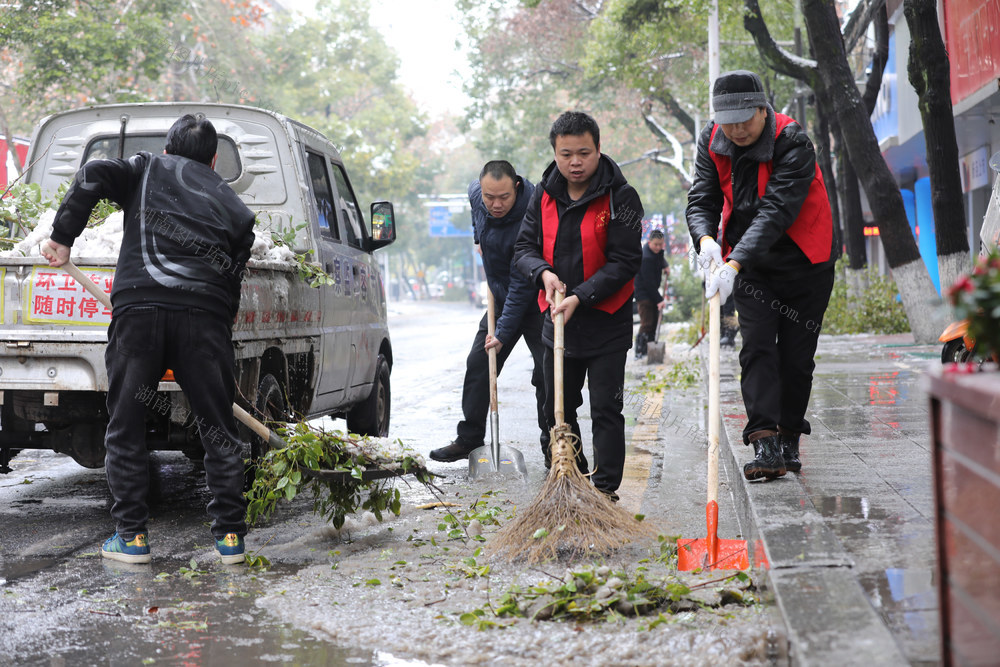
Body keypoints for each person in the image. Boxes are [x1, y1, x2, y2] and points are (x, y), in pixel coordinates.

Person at [41, 113, 256, 564]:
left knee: (125, 426)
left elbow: (93, 172)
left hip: (139, 315)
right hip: (206, 321)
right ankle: (231, 539)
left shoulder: (144, 169)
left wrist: (63, 236)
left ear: (167, 148)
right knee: (218, 429)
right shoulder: (236, 209)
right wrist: (212, 334)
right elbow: (232, 282)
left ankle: (133, 538)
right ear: (214, 160)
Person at [686, 70, 836, 480]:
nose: (735, 130)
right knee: (756, 348)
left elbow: (776, 212)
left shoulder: (793, 142)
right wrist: (705, 241)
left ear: (763, 109)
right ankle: (765, 443)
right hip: (751, 265)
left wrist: (734, 263)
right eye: (726, 121)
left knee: (796, 356)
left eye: (744, 120)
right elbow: (702, 196)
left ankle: (789, 436)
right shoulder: (712, 139)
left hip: (806, 260)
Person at [514, 111, 643, 501]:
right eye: (565, 153)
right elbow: (524, 249)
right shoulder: (542, 196)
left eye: (583, 153)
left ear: (599, 149)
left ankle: (604, 490)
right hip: (558, 323)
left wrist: (580, 296)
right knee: (558, 408)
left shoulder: (622, 198)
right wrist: (544, 274)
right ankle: (574, 479)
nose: (575, 162)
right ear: (554, 153)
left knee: (606, 408)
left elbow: (626, 262)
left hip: (606, 321)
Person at [430, 160, 548, 463]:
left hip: (534, 300)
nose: (495, 204)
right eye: (489, 197)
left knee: (546, 373)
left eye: (503, 198)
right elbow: (476, 210)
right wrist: (477, 238)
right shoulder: (476, 195)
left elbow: (522, 286)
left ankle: (554, 447)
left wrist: (503, 334)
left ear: (517, 187)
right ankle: (469, 438)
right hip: (500, 296)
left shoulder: (532, 214)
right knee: (479, 362)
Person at [633, 229, 667, 357]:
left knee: (653, 322)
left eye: (661, 244)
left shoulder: (655, 252)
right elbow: (649, 284)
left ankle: (650, 349)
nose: (658, 247)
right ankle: (640, 351)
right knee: (647, 323)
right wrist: (659, 300)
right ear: (649, 242)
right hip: (644, 294)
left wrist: (666, 266)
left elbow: (660, 258)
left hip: (651, 292)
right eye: (655, 244)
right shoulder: (646, 258)